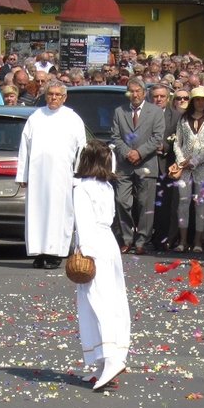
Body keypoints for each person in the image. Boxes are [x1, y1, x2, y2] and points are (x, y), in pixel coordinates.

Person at [72, 141, 130, 392]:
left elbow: (83, 222)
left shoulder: (82, 188)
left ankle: (112, 358)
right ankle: (104, 361)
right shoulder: (106, 187)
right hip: (109, 243)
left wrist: (84, 250)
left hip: (94, 243)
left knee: (97, 302)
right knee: (113, 299)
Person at [16, 80, 87, 269]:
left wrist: (77, 173)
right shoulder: (36, 117)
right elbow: (25, 147)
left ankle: (55, 252)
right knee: (37, 213)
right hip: (37, 175)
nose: (53, 98)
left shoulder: (72, 119)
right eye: (50, 94)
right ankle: (38, 251)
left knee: (58, 212)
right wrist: (22, 175)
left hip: (61, 175)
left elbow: (81, 148)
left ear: (64, 97)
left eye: (57, 95)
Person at [111, 76, 165, 254]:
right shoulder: (120, 111)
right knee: (121, 201)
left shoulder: (155, 112)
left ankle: (142, 240)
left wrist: (140, 152)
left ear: (144, 93)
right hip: (125, 164)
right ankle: (127, 238)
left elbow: (157, 137)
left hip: (146, 163)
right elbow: (116, 137)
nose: (134, 95)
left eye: (138, 91)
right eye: (131, 91)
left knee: (144, 203)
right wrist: (128, 152)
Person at [172, 85, 204, 252]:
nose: (200, 103)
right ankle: (182, 240)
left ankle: (198, 240)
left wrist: (196, 160)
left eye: (203, 100)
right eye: (197, 100)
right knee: (183, 202)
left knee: (201, 203)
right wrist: (181, 160)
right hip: (185, 168)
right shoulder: (183, 119)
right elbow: (177, 142)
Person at [149, 84, 183, 251]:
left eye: (162, 96)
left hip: (166, 164)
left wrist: (164, 147)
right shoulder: (145, 114)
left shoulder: (176, 116)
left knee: (165, 205)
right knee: (146, 204)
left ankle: (163, 238)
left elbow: (179, 140)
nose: (159, 99)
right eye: (155, 96)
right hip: (146, 164)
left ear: (168, 98)